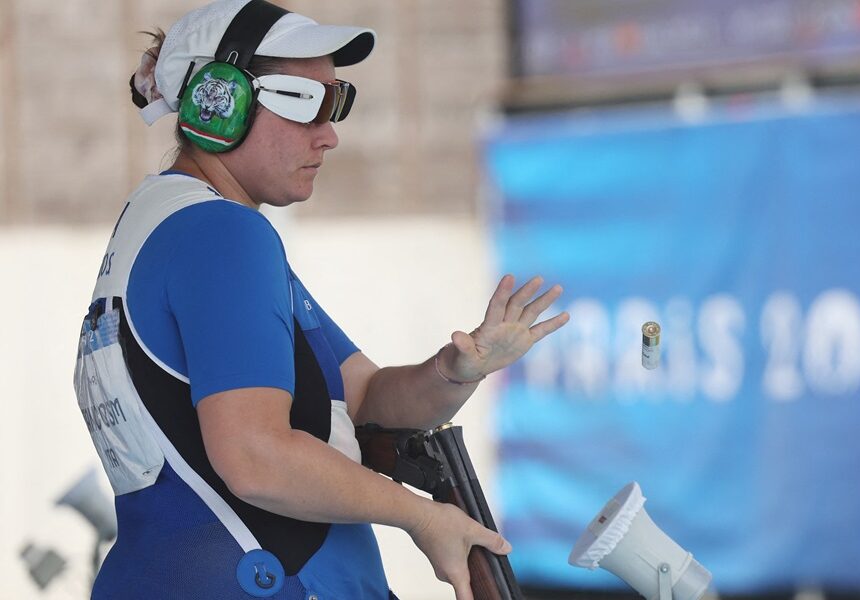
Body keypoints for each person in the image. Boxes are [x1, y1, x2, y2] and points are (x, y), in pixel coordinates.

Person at [72, 1, 569, 598]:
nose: (329, 135)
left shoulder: (169, 223)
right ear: (219, 106)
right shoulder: (222, 234)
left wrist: (457, 370)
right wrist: (422, 517)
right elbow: (255, 456)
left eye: (336, 105)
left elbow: (364, 398)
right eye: (305, 106)